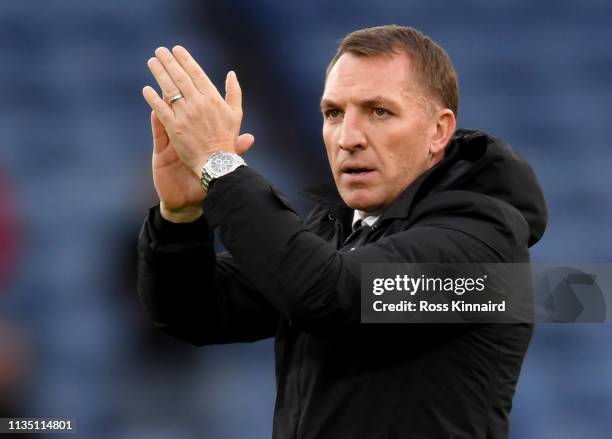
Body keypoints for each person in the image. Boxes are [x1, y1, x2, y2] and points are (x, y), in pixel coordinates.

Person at [138, 25, 547, 439]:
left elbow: (331, 296)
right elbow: (194, 312)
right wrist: (180, 215)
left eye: (379, 112)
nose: (348, 138)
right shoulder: (342, 232)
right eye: (333, 113)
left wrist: (219, 167)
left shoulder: (481, 242)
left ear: (439, 131)